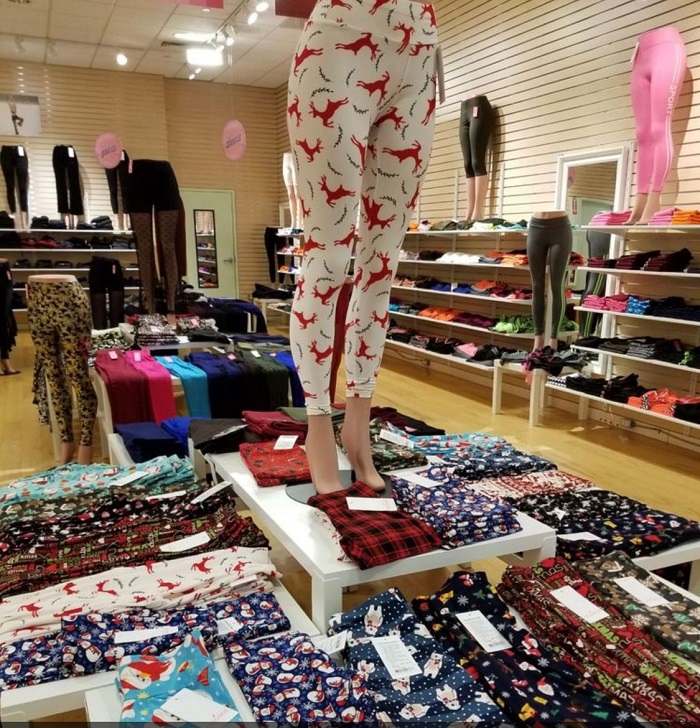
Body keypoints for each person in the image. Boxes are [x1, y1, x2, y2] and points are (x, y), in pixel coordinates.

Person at [287, 0, 439, 494]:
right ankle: (317, 426)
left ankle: (358, 424)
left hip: (419, 50)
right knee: (328, 258)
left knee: (381, 267)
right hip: (340, 36)